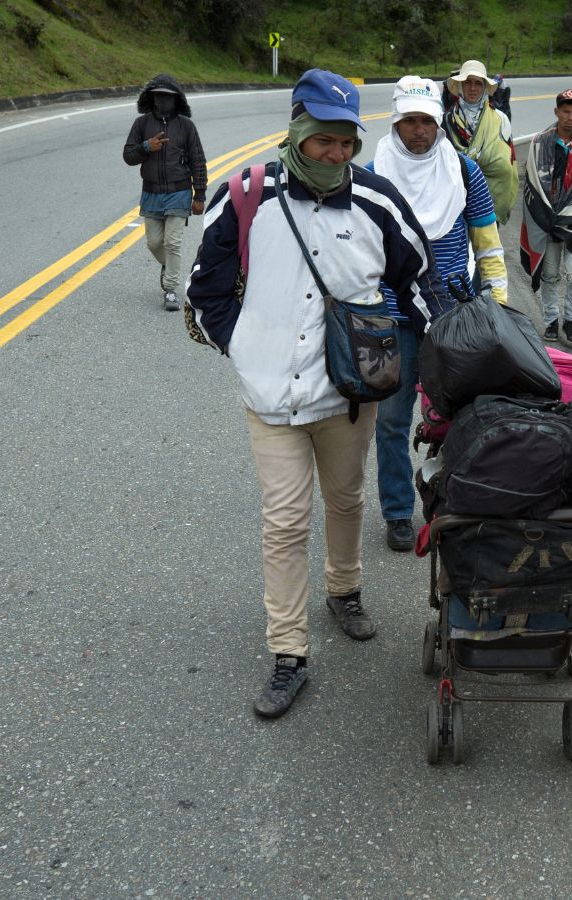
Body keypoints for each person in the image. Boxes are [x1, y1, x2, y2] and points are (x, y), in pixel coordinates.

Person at [185, 69, 445, 719]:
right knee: (283, 521)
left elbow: (420, 287)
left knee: (347, 497)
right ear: (297, 131)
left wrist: (452, 352)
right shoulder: (245, 194)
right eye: (322, 140)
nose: (334, 154)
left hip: (348, 394)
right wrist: (242, 348)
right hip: (269, 399)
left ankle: (345, 588)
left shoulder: (378, 203)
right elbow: (204, 289)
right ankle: (289, 653)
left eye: (345, 143)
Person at [365, 75, 509, 553]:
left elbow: (488, 245)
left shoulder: (465, 172)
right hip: (392, 320)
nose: (419, 130)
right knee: (391, 419)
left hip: (455, 319)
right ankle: (397, 512)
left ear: (438, 123)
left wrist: (499, 308)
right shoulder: (371, 177)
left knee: (463, 416)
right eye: (409, 121)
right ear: (395, 123)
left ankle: (457, 503)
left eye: (427, 121)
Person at [517, 88, 572, 346]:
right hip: (548, 218)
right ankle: (551, 320)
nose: (570, 117)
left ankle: (571, 320)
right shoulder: (539, 142)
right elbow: (533, 180)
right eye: (565, 111)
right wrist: (547, 214)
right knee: (550, 272)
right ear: (556, 112)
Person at [122, 73, 208, 311]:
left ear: (177, 100)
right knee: (154, 242)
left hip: (179, 192)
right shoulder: (141, 124)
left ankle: (170, 289)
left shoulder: (186, 126)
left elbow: (198, 161)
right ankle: (168, 267)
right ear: (151, 98)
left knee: (173, 244)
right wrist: (146, 147)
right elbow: (128, 156)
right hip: (151, 193)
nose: (163, 101)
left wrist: (199, 195)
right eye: (158, 96)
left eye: (168, 97)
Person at [442, 60, 516, 224]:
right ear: (460, 85)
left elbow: (507, 162)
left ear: (484, 87)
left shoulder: (500, 119)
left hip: (490, 202)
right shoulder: (446, 121)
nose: (473, 88)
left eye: (478, 83)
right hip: (455, 203)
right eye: (468, 82)